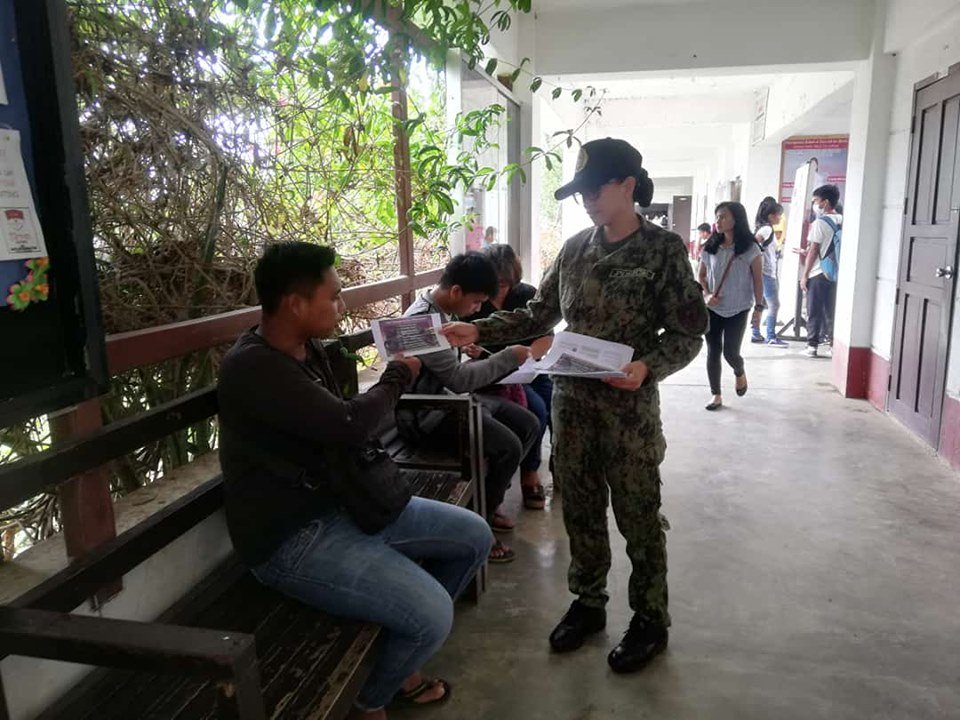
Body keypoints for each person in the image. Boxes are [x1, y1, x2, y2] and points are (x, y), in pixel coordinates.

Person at [441, 138, 708, 674]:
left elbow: (688, 333)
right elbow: (539, 315)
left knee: (637, 515)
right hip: (572, 406)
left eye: (595, 188)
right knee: (581, 511)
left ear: (628, 186)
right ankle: (588, 604)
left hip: (629, 411)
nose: (585, 199)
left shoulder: (663, 250)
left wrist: (648, 367)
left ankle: (650, 619)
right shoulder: (575, 248)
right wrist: (481, 327)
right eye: (580, 190)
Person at [217, 243, 493, 719]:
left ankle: (401, 649)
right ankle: (371, 700)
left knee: (474, 536)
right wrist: (398, 375)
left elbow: (340, 424)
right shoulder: (254, 366)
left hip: (349, 503)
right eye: (335, 295)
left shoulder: (308, 350)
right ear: (296, 303)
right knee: (432, 615)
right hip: (292, 537)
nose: (342, 305)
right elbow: (347, 424)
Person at [398, 252, 540, 564]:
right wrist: (508, 357)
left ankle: (485, 503)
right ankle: (479, 526)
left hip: (449, 400)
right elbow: (461, 380)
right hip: (428, 414)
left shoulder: (443, 312)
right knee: (508, 447)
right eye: (476, 303)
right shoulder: (423, 323)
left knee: (529, 422)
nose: (477, 311)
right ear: (456, 291)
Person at [463, 243, 555, 509]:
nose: (503, 288)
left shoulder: (527, 294)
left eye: (507, 283)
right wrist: (480, 353)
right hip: (496, 373)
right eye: (498, 283)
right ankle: (529, 473)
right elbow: (468, 341)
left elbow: (546, 336)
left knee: (552, 404)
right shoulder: (476, 300)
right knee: (536, 410)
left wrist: (527, 354)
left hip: (530, 366)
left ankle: (551, 465)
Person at [698, 202, 765, 411]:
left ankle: (739, 371)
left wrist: (759, 308)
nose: (718, 221)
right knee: (713, 350)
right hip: (712, 308)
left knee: (730, 352)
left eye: (723, 217)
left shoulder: (750, 249)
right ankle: (716, 395)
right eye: (717, 217)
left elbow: (758, 280)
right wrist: (707, 295)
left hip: (739, 308)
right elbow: (700, 276)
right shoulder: (710, 247)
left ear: (736, 219)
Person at [801, 184, 843, 358]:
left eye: (816, 201)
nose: (815, 204)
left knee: (814, 309)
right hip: (836, 272)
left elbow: (814, 250)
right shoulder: (843, 219)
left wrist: (804, 275)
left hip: (818, 272)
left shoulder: (820, 222)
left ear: (825, 202)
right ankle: (833, 345)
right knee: (832, 310)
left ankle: (812, 346)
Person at [752, 197, 788, 347]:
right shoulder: (766, 229)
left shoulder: (765, 228)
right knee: (774, 304)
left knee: (760, 303)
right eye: (778, 215)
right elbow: (755, 242)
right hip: (766, 273)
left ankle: (756, 333)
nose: (780, 218)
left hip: (765, 272)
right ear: (771, 215)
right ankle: (771, 336)